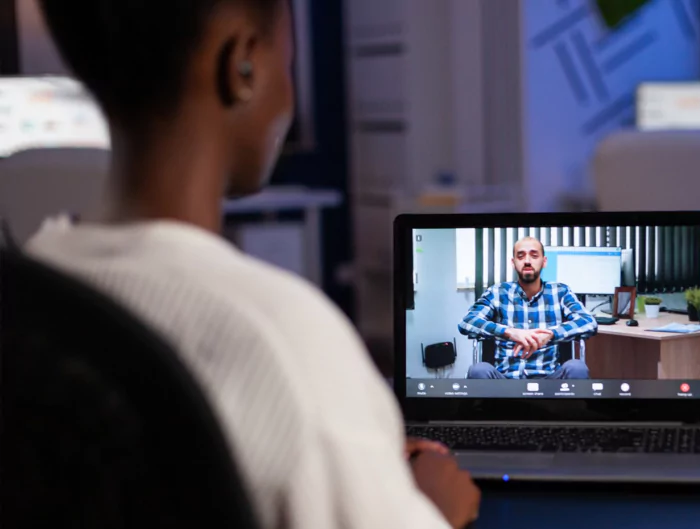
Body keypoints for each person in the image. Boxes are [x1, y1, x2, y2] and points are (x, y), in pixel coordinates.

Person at [25, 0, 479, 528]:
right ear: (241, 66)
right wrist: (431, 507)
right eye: (286, 66)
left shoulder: (33, 281)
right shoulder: (287, 339)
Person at [459, 237, 597, 380]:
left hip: (549, 379)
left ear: (544, 261)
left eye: (534, 255)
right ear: (513, 263)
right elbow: (468, 321)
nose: (527, 261)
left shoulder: (560, 292)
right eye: (521, 256)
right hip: (505, 379)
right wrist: (509, 332)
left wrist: (550, 334)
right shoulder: (498, 292)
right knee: (478, 370)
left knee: (577, 367)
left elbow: (588, 322)